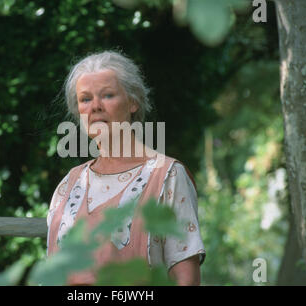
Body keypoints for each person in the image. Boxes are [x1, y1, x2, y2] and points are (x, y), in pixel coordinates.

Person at [46, 50, 205, 286]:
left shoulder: (167, 175)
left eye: (108, 95)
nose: (95, 107)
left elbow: (185, 280)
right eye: (85, 99)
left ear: (133, 102)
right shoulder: (68, 185)